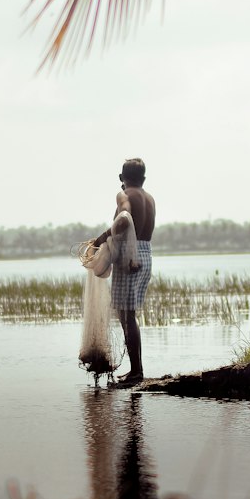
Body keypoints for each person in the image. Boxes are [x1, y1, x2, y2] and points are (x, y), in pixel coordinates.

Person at [93, 157, 156, 387]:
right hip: (146, 254)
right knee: (129, 315)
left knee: (127, 316)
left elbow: (124, 219)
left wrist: (100, 240)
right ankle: (135, 371)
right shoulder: (149, 198)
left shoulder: (124, 195)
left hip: (130, 257)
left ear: (121, 178)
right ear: (144, 178)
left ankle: (136, 373)